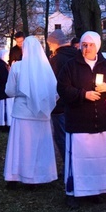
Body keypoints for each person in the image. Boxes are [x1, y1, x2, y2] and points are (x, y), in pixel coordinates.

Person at [57, 31, 106, 208]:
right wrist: (83, 94)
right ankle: (73, 192)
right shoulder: (71, 66)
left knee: (97, 159)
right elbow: (62, 88)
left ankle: (94, 190)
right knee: (78, 160)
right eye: (84, 45)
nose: (87, 48)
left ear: (97, 46)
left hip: (101, 121)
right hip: (79, 122)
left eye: (90, 45)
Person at [3, 36, 58, 188]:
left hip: (22, 113)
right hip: (41, 113)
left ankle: (14, 176)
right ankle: (38, 176)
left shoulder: (17, 67)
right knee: (39, 146)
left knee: (20, 146)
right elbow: (54, 91)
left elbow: (9, 91)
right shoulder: (46, 69)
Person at [46, 29, 80, 165]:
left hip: (60, 105)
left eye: (50, 45)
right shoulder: (78, 56)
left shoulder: (56, 60)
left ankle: (69, 168)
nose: (50, 48)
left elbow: (51, 83)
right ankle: (78, 165)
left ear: (54, 43)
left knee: (61, 136)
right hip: (78, 102)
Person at [0, 49, 13, 132]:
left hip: (3, 91)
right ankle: (5, 124)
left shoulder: (3, 65)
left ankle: (5, 123)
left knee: (5, 107)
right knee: (6, 107)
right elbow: (4, 79)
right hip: (4, 91)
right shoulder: (2, 66)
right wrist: (10, 73)